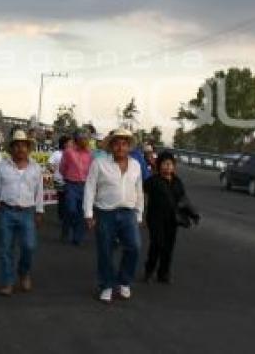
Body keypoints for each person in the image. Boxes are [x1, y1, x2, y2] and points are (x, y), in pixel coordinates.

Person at [84, 128, 144, 303]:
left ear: (129, 147)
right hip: (105, 213)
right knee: (105, 251)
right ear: (111, 145)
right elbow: (89, 188)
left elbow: (139, 191)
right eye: (116, 143)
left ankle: (124, 281)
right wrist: (88, 213)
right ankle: (106, 286)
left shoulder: (136, 165)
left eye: (124, 144)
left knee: (134, 247)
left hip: (129, 213)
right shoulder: (99, 163)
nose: (120, 147)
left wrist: (139, 214)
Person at [0, 130, 44, 296]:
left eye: (23, 146)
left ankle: (23, 272)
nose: (20, 149)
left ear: (28, 148)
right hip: (6, 212)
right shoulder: (1, 167)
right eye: (16, 146)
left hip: (27, 212)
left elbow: (39, 192)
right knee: (5, 249)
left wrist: (39, 211)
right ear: (11, 149)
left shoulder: (36, 168)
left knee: (29, 246)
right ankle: (7, 282)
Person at [143, 151, 199, 283]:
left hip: (172, 220)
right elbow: (142, 197)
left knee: (168, 247)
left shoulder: (177, 182)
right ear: (159, 165)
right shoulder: (152, 181)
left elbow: (184, 200)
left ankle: (163, 274)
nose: (168, 166)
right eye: (165, 163)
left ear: (174, 166)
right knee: (156, 245)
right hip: (155, 219)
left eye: (170, 164)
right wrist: (141, 215)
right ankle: (149, 271)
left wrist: (193, 214)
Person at [60, 131, 93, 245]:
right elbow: (62, 167)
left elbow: (92, 170)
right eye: (83, 138)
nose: (86, 141)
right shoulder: (68, 152)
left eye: (87, 138)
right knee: (71, 209)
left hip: (85, 185)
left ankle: (78, 238)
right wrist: (67, 177)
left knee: (82, 212)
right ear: (77, 140)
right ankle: (67, 227)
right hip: (71, 184)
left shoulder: (90, 154)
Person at [48, 135, 72, 232]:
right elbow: (49, 163)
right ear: (64, 143)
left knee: (69, 200)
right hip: (59, 180)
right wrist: (54, 170)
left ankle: (67, 218)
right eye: (70, 142)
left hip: (70, 180)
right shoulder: (56, 153)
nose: (71, 144)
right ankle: (62, 218)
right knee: (62, 199)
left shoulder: (72, 153)